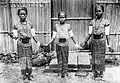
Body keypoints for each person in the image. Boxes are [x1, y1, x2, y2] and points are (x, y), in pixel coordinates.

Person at [82, 5, 113, 79]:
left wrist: (109, 45)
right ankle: (95, 73)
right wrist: (85, 42)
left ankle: (101, 73)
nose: (98, 13)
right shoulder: (92, 22)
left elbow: (107, 34)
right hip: (94, 41)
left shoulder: (106, 22)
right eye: (96, 11)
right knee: (94, 57)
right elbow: (89, 33)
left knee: (101, 57)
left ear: (103, 12)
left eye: (99, 11)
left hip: (101, 41)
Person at [46, 11, 80, 78]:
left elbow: (71, 36)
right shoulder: (56, 26)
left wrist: (76, 44)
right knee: (59, 58)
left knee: (65, 58)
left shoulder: (68, 26)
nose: (62, 19)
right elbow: (53, 37)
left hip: (65, 45)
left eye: (63, 17)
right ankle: (59, 72)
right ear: (58, 18)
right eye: (60, 17)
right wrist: (48, 43)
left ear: (65, 18)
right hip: (58, 44)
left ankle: (65, 72)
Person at [12, 7, 40, 80]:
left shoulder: (30, 24)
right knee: (22, 60)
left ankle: (29, 75)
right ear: (18, 15)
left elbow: (33, 35)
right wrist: (12, 36)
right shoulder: (16, 25)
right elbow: (15, 37)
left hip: (28, 44)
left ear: (26, 15)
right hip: (21, 45)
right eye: (21, 14)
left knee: (29, 60)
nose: (22, 15)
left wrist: (38, 43)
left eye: (24, 14)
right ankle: (24, 75)